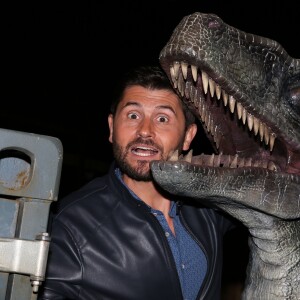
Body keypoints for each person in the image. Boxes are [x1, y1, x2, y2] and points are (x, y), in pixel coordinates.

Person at [38, 65, 235, 300]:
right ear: (112, 128)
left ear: (188, 137)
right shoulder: (71, 225)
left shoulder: (210, 209)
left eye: (162, 119)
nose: (145, 131)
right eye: (133, 116)